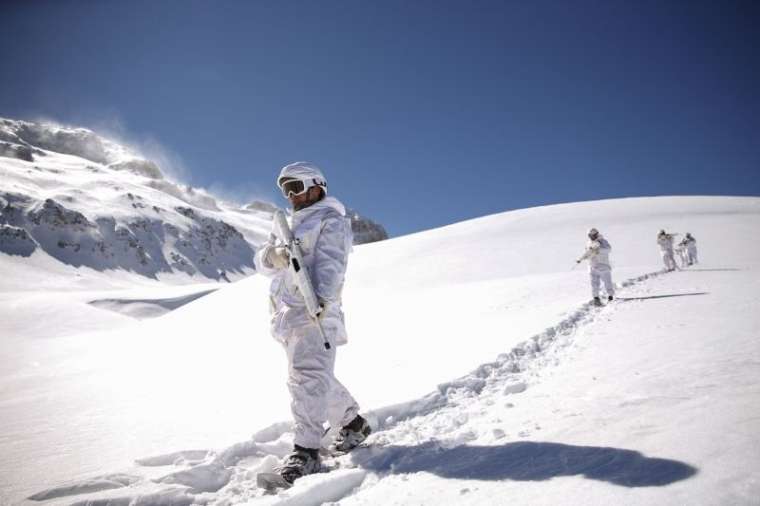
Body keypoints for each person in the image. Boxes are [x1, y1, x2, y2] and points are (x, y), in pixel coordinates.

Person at [254, 162, 371, 484]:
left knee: (306, 379)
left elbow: (333, 264)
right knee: (310, 376)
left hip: (313, 312)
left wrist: (321, 303)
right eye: (285, 190)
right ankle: (351, 424)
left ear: (316, 185)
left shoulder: (330, 220)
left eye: (296, 187)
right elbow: (262, 262)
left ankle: (305, 451)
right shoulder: (286, 224)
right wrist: (272, 257)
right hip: (287, 314)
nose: (291, 195)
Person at [576, 227, 614, 306]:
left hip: (603, 266)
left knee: (607, 283)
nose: (592, 236)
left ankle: (610, 297)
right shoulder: (589, 243)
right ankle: (596, 298)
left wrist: (599, 250)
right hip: (592, 267)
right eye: (590, 235)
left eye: (593, 235)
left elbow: (608, 249)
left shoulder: (603, 241)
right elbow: (587, 252)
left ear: (597, 234)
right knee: (594, 284)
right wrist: (581, 259)